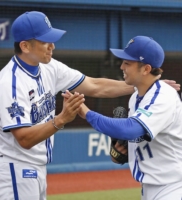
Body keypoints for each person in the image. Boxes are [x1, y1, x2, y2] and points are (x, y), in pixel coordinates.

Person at [0, 11, 149, 200]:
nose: (52, 46)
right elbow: (24, 139)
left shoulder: (48, 67)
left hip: (33, 169)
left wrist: (142, 86)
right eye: (45, 41)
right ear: (25, 46)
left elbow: (95, 86)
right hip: (14, 168)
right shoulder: (11, 84)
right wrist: (62, 119)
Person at [73, 36, 182, 200]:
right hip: (152, 187)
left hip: (173, 187)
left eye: (128, 63)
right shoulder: (136, 96)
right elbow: (136, 135)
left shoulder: (163, 96)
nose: (122, 66)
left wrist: (87, 113)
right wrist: (121, 151)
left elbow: (131, 129)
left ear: (146, 69)